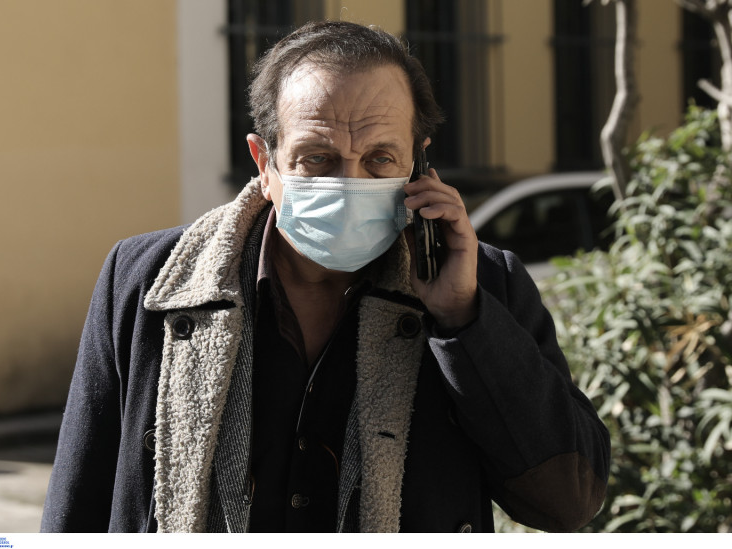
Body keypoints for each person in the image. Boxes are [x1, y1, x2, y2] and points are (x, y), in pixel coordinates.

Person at [41, 20, 610, 533]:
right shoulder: (147, 281)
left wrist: (463, 319)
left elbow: (567, 502)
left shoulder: (484, 287)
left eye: (380, 159)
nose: (348, 183)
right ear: (265, 162)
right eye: (317, 158)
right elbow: (77, 507)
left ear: (419, 163)